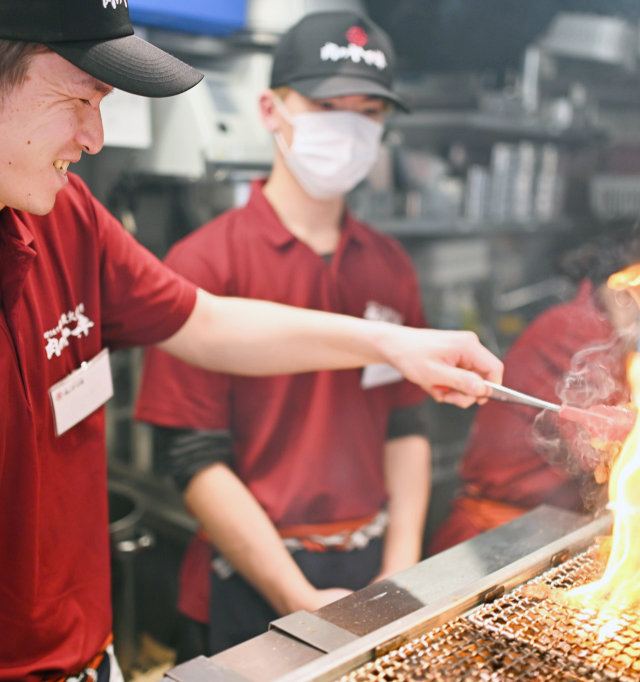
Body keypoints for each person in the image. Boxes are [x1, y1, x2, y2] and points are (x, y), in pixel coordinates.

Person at [0, 3, 505, 682]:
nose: (95, 137)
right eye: (78, 98)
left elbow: (204, 322)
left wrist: (394, 345)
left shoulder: (62, 216)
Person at [133, 12, 434, 656]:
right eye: (328, 104)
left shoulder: (390, 266)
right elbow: (192, 458)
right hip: (249, 580)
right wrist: (293, 595)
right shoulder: (206, 265)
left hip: (374, 567)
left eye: (370, 112)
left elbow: (406, 428)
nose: (350, 127)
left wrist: (402, 575)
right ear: (271, 109)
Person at [427, 228, 640, 556]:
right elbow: (609, 453)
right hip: (493, 544)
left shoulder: (602, 332)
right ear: (625, 292)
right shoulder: (579, 331)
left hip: (531, 537)